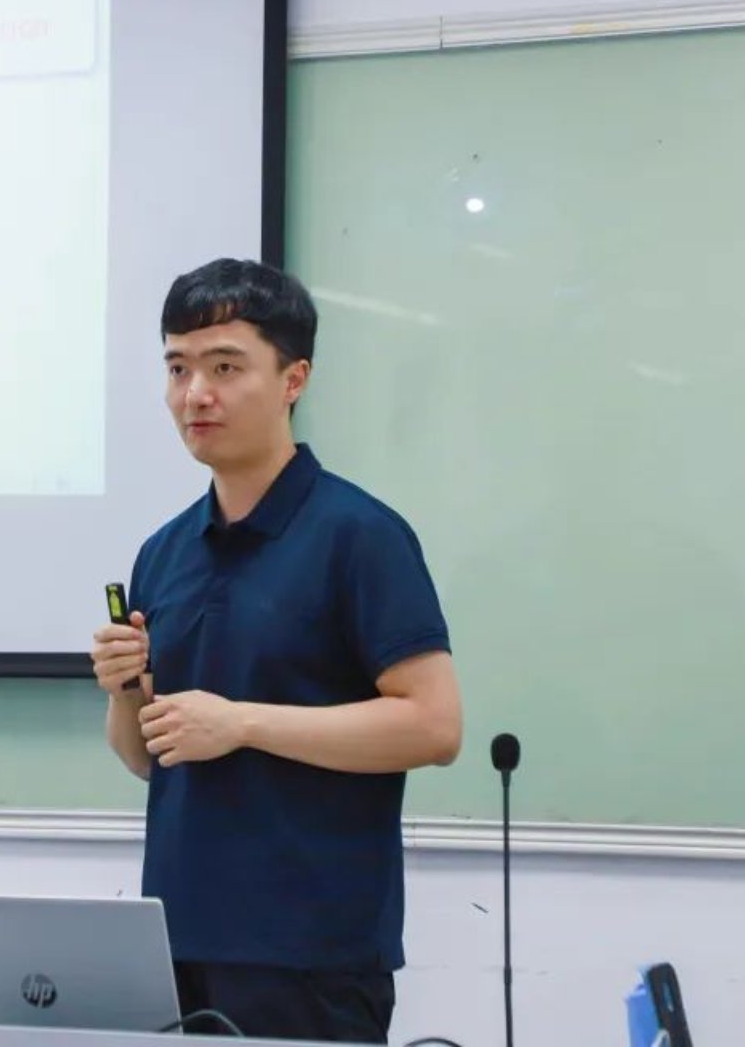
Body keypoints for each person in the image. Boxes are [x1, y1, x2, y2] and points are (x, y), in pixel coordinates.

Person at [89, 257, 464, 1043]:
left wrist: (243, 723)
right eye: (178, 368)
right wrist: (125, 692)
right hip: (176, 942)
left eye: (226, 367)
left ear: (294, 379)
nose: (196, 394)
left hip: (311, 954)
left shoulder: (359, 535)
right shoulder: (164, 551)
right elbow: (144, 757)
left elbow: (433, 726)